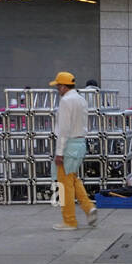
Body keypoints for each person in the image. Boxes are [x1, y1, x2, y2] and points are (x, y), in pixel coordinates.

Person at [50, 70, 97, 231]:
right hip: (80, 144)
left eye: (58, 87)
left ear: (63, 87)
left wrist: (59, 152)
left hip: (68, 144)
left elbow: (63, 129)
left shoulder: (65, 101)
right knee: (73, 179)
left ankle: (69, 220)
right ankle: (88, 207)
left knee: (64, 185)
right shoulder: (81, 100)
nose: (57, 90)